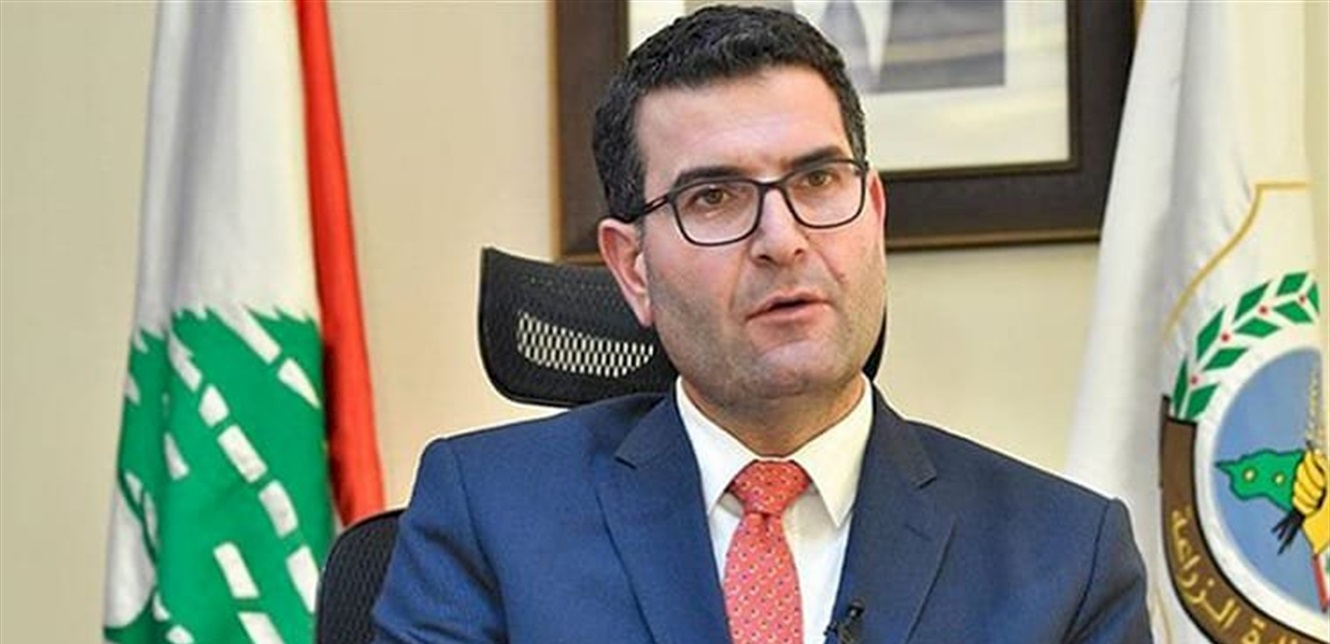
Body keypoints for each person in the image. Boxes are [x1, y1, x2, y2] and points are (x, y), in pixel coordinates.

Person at [373, 6, 1150, 643]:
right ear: (633, 268)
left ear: (874, 215)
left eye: (818, 180)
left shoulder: (1064, 557)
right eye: (714, 197)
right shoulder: (490, 514)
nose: (783, 239)